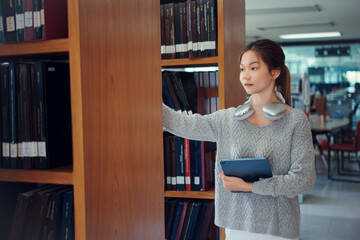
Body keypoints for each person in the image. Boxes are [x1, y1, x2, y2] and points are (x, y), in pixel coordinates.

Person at [162, 39, 316, 240]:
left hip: (278, 230)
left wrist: (250, 187)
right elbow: (184, 124)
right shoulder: (227, 119)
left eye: (253, 68)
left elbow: (303, 181)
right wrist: (146, 98)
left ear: (275, 72)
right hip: (235, 227)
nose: (245, 76)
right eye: (242, 69)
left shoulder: (295, 120)